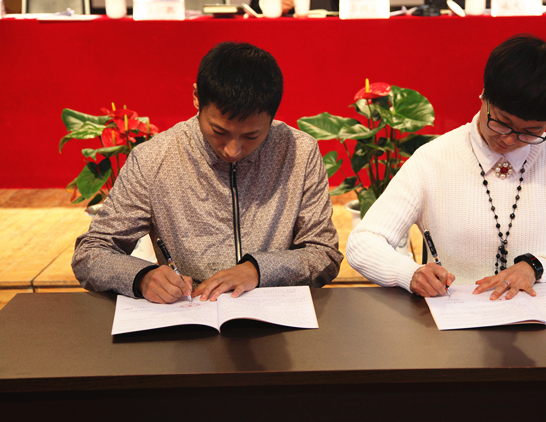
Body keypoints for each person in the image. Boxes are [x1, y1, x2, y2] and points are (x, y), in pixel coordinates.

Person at [72, 42, 343, 304]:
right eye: (219, 131)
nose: (233, 150)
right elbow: (91, 252)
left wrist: (259, 270)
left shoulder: (299, 152)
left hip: (276, 315)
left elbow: (323, 253)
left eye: (251, 135)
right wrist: (142, 277)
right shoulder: (153, 158)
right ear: (196, 97)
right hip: (187, 314)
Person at [346, 34, 546, 300]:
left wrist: (535, 267)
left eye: (531, 131)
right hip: (452, 316)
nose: (509, 140)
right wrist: (410, 273)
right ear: (484, 94)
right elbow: (363, 242)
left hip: (536, 317)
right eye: (502, 122)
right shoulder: (434, 158)